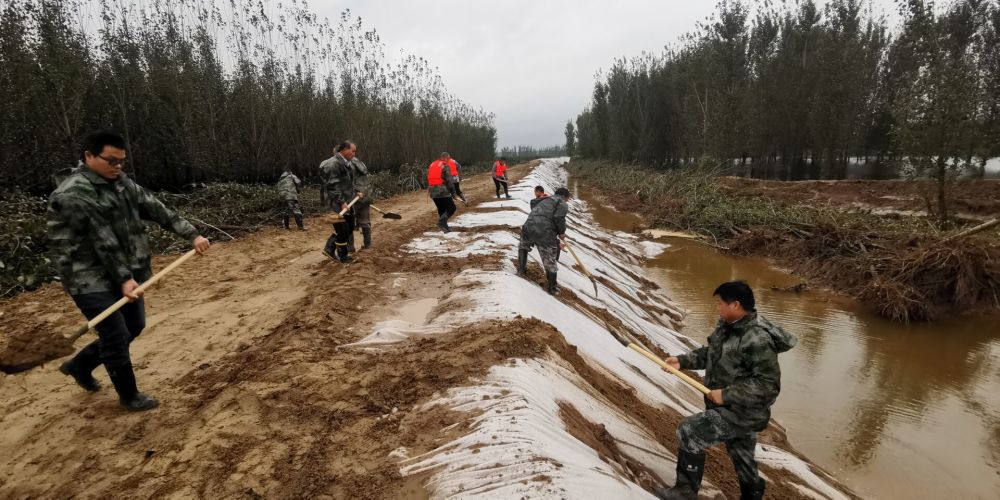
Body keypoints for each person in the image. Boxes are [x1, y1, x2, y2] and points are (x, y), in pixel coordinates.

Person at [48, 131, 211, 411]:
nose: (118, 167)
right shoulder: (73, 194)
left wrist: (191, 234)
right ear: (88, 156)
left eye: (122, 161)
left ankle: (79, 364)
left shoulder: (122, 183)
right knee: (115, 335)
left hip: (127, 269)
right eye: (111, 160)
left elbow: (154, 206)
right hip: (88, 276)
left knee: (134, 326)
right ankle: (129, 396)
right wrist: (124, 279)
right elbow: (102, 238)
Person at [655, 281, 797, 500]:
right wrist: (682, 362)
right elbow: (711, 353)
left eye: (720, 303)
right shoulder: (727, 326)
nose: (717, 307)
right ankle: (752, 495)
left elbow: (768, 386)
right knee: (741, 455)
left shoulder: (758, 339)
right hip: (728, 407)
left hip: (743, 413)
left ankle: (684, 492)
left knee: (690, 431)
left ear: (736, 305)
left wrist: (727, 394)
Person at [517, 187, 570, 294]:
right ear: (565, 196)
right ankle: (552, 287)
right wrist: (561, 232)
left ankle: (521, 270)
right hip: (545, 232)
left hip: (529, 226)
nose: (568, 201)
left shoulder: (544, 198)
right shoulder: (562, 203)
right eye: (568, 198)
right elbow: (559, 218)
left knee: (523, 246)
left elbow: (533, 202)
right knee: (549, 259)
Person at [319, 141, 363, 263]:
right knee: (343, 229)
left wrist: (356, 192)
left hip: (346, 201)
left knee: (349, 227)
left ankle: (329, 248)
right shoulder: (333, 164)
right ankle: (343, 256)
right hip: (335, 203)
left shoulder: (345, 163)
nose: (354, 154)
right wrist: (341, 202)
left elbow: (347, 183)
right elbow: (332, 186)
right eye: (352, 151)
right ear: (344, 150)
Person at [427, 152, 458, 233]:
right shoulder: (445, 166)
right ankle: (441, 223)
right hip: (442, 191)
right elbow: (450, 181)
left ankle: (445, 227)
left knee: (441, 209)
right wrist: (454, 193)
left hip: (432, 191)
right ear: (446, 158)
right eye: (448, 159)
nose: (448, 161)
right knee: (452, 208)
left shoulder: (432, 164)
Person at [349, 157, 372, 250]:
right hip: (365, 194)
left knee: (348, 222)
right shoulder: (360, 163)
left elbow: (348, 183)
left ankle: (350, 248)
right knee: (365, 221)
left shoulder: (346, 165)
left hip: (354, 196)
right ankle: (368, 245)